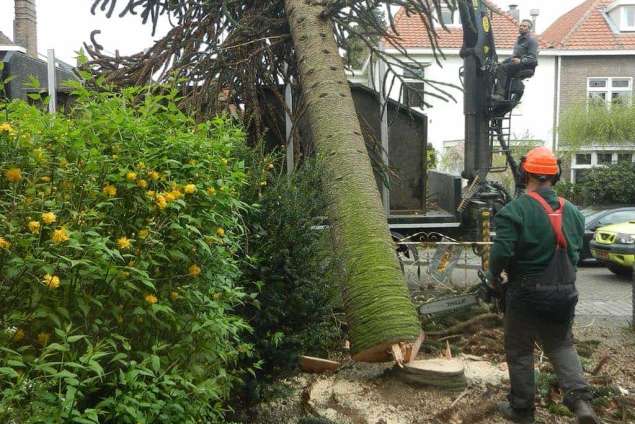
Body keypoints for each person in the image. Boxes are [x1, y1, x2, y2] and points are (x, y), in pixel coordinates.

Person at [487, 147, 600, 424]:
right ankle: (582, 402)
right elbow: (573, 253)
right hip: (565, 291)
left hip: (526, 292)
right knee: (562, 345)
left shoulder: (514, 211)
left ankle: (522, 410)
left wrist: (493, 278)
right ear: (556, 175)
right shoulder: (573, 211)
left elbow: (501, 252)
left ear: (525, 173)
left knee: (520, 350)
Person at [492, 19, 538, 102]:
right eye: (521, 25)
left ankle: (500, 95)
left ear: (529, 29)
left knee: (503, 69)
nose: (521, 27)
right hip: (516, 64)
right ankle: (498, 93)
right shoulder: (518, 40)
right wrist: (501, 63)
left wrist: (521, 61)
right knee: (497, 68)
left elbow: (533, 58)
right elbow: (513, 57)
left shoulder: (532, 41)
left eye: (524, 26)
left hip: (525, 66)